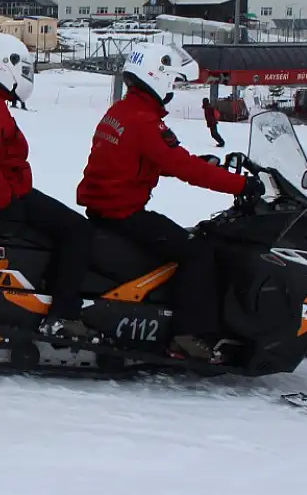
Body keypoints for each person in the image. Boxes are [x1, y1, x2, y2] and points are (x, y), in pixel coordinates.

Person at [76, 42, 264, 364]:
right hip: (124, 214)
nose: (173, 90)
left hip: (106, 209)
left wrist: (196, 162)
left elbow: (141, 159)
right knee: (197, 251)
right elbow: (184, 167)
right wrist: (241, 184)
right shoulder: (145, 121)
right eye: (173, 82)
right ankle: (186, 336)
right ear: (157, 78)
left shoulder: (121, 111)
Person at [0, 34, 98, 341]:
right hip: (4, 197)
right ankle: (62, 314)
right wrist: (7, 202)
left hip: (1, 193)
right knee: (78, 230)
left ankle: (48, 286)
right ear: (1, 66)